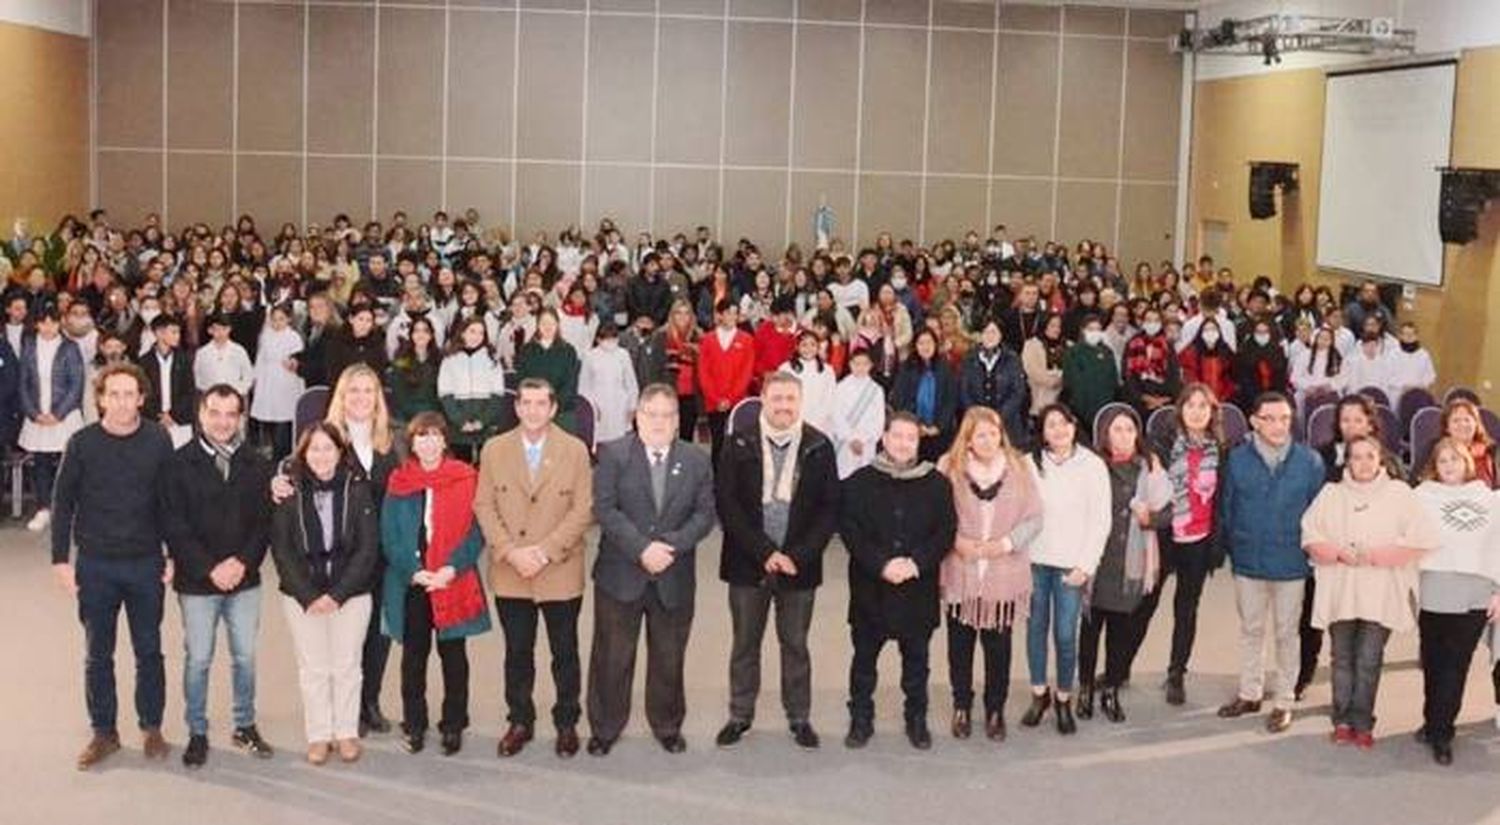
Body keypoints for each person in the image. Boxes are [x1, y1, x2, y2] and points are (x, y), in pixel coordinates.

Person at [51, 363, 176, 769]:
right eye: (114, 394)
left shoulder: (159, 440)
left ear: (142, 398)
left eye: (130, 394)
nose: (122, 402)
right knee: (97, 654)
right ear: (101, 398)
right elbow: (63, 503)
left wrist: (172, 554)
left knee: (149, 651)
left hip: (144, 563)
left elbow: (170, 502)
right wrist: (60, 561)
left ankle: (152, 726)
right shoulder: (82, 443)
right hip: (95, 565)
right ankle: (104, 732)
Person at [586, 384, 716, 756]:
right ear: (637, 417)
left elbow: (705, 515)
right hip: (620, 574)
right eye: (651, 414)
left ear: (678, 421)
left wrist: (668, 547)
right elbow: (605, 509)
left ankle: (667, 725)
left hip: (673, 574)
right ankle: (605, 727)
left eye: (667, 415)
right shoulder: (613, 453)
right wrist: (642, 548)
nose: (659, 422)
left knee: (669, 656)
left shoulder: (696, 459)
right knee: (612, 656)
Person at [713, 372, 839, 750]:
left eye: (790, 400)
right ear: (763, 401)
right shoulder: (738, 443)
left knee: (795, 644)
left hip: (799, 565)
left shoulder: (819, 446)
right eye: (777, 399)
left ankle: (799, 717)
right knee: (744, 644)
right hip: (747, 561)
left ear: (800, 403)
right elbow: (727, 504)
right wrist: (765, 552)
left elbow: (829, 509)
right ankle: (739, 715)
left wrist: (794, 555)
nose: (784, 406)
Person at [474, 378, 595, 759]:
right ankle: (520, 720)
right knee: (517, 651)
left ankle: (566, 722)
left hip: (558, 568)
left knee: (565, 652)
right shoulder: (494, 449)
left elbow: (583, 509)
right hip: (511, 570)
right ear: (517, 407)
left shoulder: (574, 450)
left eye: (541, 403)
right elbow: (483, 506)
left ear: (554, 408)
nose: (532, 410)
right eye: (525, 403)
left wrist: (544, 552)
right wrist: (511, 552)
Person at [161, 385, 275, 768]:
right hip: (197, 581)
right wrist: (210, 568)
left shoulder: (257, 463)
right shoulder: (178, 463)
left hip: (245, 579)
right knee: (199, 658)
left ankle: (244, 724)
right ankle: (197, 730)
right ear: (201, 414)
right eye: (215, 412)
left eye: (231, 414)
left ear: (241, 417)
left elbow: (264, 524)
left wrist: (242, 563)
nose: (223, 422)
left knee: (245, 656)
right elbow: (174, 526)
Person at [1302, 434, 1438, 749]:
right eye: (1356, 456)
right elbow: (1310, 533)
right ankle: (1342, 719)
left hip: (1381, 591)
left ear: (1381, 460)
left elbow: (1422, 537)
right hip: (1342, 589)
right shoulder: (1331, 493)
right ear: (1346, 461)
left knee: (1369, 658)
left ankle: (1363, 720)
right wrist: (1337, 553)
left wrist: (1379, 555)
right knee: (1341, 658)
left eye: (1369, 456)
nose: (1363, 463)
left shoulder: (1399, 493)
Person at [839, 412, 957, 750]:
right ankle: (861, 717)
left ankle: (916, 718)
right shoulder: (860, 481)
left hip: (917, 588)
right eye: (898, 436)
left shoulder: (936, 483)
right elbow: (850, 529)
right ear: (885, 438)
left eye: (911, 438)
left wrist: (916, 564)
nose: (904, 443)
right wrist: (881, 564)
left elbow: (945, 531)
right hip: (871, 586)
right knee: (864, 661)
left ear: (919, 443)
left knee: (917, 662)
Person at [381, 412, 493, 756]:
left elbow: (476, 532)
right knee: (413, 658)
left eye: (435, 436)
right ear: (411, 443)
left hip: (451, 580)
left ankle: (453, 723)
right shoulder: (399, 481)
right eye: (421, 437)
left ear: (445, 440)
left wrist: (451, 568)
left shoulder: (466, 478)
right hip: (413, 582)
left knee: (454, 657)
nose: (428, 443)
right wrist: (413, 570)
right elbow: (390, 535)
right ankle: (414, 724)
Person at [269, 422, 380, 765]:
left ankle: (345, 732)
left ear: (340, 452)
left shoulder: (358, 490)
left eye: (328, 448)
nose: (321, 455)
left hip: (352, 593)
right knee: (314, 668)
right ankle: (318, 735)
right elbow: (282, 549)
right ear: (303, 454)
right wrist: (309, 595)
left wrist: (338, 594)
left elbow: (367, 548)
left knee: (347, 666)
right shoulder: (289, 492)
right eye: (314, 449)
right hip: (302, 596)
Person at [1216, 392, 1325, 733]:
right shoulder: (1236, 460)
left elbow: (1317, 516)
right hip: (1249, 560)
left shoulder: (1310, 462)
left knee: (1286, 634)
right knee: (1251, 630)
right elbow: (1227, 508)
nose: (1279, 426)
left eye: (1284, 418)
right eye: (1271, 418)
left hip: (1292, 563)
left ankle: (1284, 700)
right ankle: (1250, 691)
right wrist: (1236, 546)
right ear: (1254, 421)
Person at [938, 407, 1042, 741]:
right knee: (960, 647)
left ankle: (995, 708)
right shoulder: (949, 469)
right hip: (962, 573)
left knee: (999, 648)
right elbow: (934, 515)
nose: (989, 440)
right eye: (980, 434)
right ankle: (962, 706)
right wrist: (957, 542)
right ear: (967, 440)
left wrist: (1006, 544)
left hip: (1004, 574)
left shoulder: (1020, 468)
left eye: (994, 433)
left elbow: (1035, 518)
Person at [1075, 407, 1171, 724]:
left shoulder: (1149, 467)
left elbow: (1169, 510)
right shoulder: (1091, 466)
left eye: (1130, 429)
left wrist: (1151, 518)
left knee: (1120, 632)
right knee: (1089, 632)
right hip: (1097, 560)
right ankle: (1086, 688)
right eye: (1117, 429)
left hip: (1131, 564)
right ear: (1104, 433)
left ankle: (1111, 689)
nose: (1124, 436)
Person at [1021, 403, 1110, 734]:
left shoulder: (1092, 465)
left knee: (1064, 635)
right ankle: (1039, 693)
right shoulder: (1028, 464)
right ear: (1042, 432)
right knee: (1035, 630)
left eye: (1063, 423)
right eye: (1050, 425)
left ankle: (1063, 698)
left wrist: (1086, 565)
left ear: (1074, 426)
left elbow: (1101, 520)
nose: (1058, 430)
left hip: (1071, 567)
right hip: (1034, 562)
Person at [1413, 438, 1500, 764]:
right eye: (1443, 460)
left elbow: (1498, 547)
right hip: (1433, 591)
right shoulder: (1421, 497)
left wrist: (1498, 590)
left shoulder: (1489, 500)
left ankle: (1442, 733)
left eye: (1456, 459)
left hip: (1473, 594)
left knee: (1455, 668)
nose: (1450, 465)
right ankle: (1432, 720)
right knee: (1433, 666)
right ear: (1435, 465)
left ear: (1467, 462)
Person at [1145, 384, 1227, 706]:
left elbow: (1223, 499)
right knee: (1144, 606)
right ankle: (1117, 670)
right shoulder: (1162, 445)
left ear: (1212, 412)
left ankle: (1176, 673)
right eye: (1190, 405)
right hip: (1165, 536)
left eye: (1203, 406)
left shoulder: (1221, 449)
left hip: (1199, 539)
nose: (1196, 411)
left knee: (1186, 609)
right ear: (1180, 409)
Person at [20, 304, 85, 532]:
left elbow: (76, 384)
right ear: (36, 324)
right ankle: (43, 508)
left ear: (61, 323)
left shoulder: (70, 347)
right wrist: (34, 412)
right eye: (44, 322)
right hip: (37, 415)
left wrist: (58, 413)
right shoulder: (28, 346)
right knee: (41, 463)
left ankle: (69, 508)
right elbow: (24, 383)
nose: (49, 327)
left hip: (63, 416)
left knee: (69, 462)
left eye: (53, 322)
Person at [438, 317, 506, 463]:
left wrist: (483, 421)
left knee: (487, 467)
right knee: (460, 467)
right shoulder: (449, 359)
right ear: (462, 333)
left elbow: (498, 393)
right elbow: (445, 394)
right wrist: (460, 421)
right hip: (459, 426)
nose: (476, 336)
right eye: (472, 331)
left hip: (486, 423)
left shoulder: (492, 358)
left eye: (481, 333)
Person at [697, 299, 755, 464]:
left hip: (737, 401)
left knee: (737, 445)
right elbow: (703, 372)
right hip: (713, 402)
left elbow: (746, 372)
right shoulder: (708, 340)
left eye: (735, 313)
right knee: (717, 444)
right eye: (728, 312)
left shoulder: (746, 339)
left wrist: (731, 398)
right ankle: (716, 483)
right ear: (719, 315)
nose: (732, 316)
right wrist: (716, 399)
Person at [892, 328, 960, 463]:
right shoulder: (906, 368)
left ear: (935, 344)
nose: (925, 347)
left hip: (941, 432)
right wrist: (918, 425)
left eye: (929, 342)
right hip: (913, 431)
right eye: (921, 343)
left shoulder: (945, 367)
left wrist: (938, 426)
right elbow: (900, 399)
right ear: (915, 346)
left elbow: (951, 400)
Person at [250, 304, 305, 459]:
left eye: (281, 319)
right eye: (274, 319)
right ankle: (270, 450)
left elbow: (298, 359)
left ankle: (283, 454)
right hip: (268, 381)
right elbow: (260, 358)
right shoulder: (266, 336)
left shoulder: (293, 337)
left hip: (286, 382)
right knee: (269, 418)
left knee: (284, 419)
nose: (277, 323)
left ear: (288, 319)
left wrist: (293, 364)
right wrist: (256, 378)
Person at [516, 307, 582, 434]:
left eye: (551, 323)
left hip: (562, 411)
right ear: (537, 325)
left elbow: (570, 383)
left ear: (557, 325)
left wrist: (552, 406)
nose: (548, 327)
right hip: (532, 410)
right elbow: (522, 381)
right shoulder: (526, 350)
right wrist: (537, 405)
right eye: (543, 323)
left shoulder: (568, 351)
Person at [578, 322, 640, 444]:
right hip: (598, 407)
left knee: (621, 442)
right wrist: (591, 408)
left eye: (613, 338)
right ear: (598, 339)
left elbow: (631, 383)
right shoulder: (590, 356)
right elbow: (584, 386)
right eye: (606, 339)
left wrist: (633, 406)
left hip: (620, 405)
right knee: (600, 442)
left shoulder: (623, 355)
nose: (610, 342)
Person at [828, 349, 885, 480]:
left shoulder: (876, 390)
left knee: (864, 479)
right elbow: (836, 415)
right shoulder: (841, 387)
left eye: (865, 364)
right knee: (844, 477)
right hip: (845, 443)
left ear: (871, 365)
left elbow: (878, 420)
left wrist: (863, 439)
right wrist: (851, 438)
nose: (860, 367)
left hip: (867, 444)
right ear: (850, 364)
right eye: (857, 363)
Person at [1060, 316, 1118, 443]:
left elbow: (1113, 381)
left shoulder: (1107, 352)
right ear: (1083, 330)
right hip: (1080, 410)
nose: (1095, 332)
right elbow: (1070, 382)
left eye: (1098, 329)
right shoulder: (1073, 352)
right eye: (1091, 329)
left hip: (1104, 408)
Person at [388, 316, 442, 424]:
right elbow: (399, 394)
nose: (420, 335)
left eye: (425, 331)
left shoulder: (440, 360)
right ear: (411, 335)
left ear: (431, 335)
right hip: (406, 418)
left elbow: (440, 394)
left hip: (433, 416)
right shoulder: (402, 359)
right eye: (416, 331)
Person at [780, 330, 836, 435]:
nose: (808, 349)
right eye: (804, 345)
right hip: (794, 421)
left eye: (812, 345)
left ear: (818, 347)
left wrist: (817, 420)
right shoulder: (786, 369)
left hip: (821, 424)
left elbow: (830, 397)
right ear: (797, 347)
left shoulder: (827, 370)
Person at [193, 313, 255, 397]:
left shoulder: (239, 351)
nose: (220, 333)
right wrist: (208, 390)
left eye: (224, 329)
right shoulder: (202, 353)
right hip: (210, 397)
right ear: (210, 330)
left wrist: (239, 391)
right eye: (217, 329)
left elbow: (248, 375)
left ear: (229, 329)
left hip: (234, 396)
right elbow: (197, 376)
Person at [1440, 398, 1496, 488]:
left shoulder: (1491, 451)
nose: (1462, 424)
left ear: (1476, 424)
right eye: (1456, 420)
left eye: (1467, 419)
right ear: (1447, 427)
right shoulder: (1436, 452)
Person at [1021, 314, 1066, 420]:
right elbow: (1032, 371)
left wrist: (1063, 380)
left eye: (1059, 326)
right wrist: (1052, 381)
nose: (1056, 329)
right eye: (1052, 326)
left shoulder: (1067, 345)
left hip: (1061, 400)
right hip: (1038, 400)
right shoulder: (1031, 344)